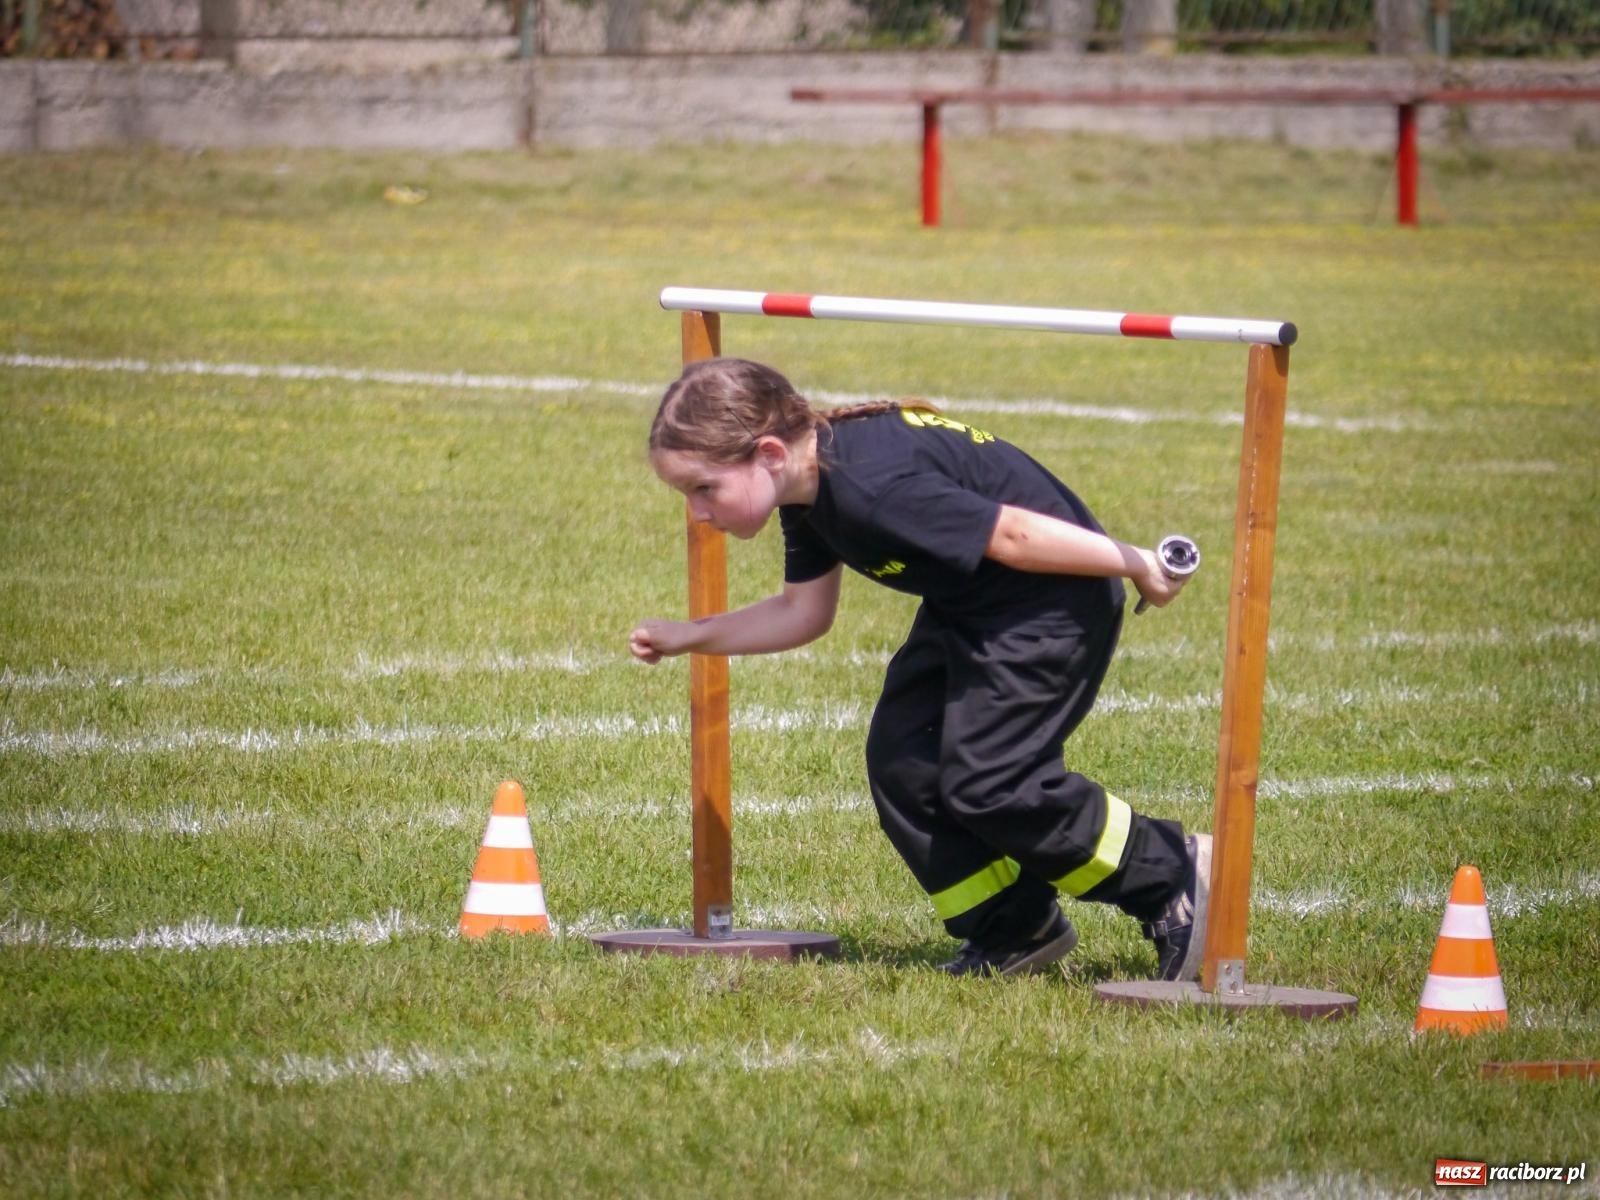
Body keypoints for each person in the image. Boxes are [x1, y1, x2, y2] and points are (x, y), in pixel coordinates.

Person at [629, 357, 1209, 980]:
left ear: (768, 452)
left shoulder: (874, 489)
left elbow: (1012, 535)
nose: (697, 512)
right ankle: (1014, 929)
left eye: (703, 488)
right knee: (906, 761)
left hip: (1051, 606)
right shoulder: (809, 484)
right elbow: (804, 612)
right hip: (973, 605)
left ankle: (1171, 874)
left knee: (992, 783)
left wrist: (1134, 561)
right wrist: (694, 636)